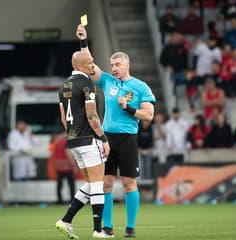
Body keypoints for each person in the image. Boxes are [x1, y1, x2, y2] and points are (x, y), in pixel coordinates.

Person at [77, 25, 156, 238]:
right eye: (112, 65)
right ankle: (108, 226)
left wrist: (128, 108)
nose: (114, 68)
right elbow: (89, 65)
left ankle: (130, 227)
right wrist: (84, 41)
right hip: (107, 138)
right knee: (106, 183)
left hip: (128, 138)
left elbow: (148, 115)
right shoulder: (107, 81)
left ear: (127, 65)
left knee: (130, 183)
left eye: (117, 64)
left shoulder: (140, 87)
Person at [55, 50, 111, 239]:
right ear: (79, 66)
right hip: (89, 139)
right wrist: (103, 138)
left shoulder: (63, 86)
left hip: (73, 141)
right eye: (90, 63)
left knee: (90, 183)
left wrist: (73, 135)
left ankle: (66, 220)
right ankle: (97, 230)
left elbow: (64, 118)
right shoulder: (86, 83)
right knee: (97, 184)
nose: (93, 66)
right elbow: (92, 115)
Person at [48, 131, 77, 204]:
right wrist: (74, 166)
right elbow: (68, 154)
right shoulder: (67, 142)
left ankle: (59, 199)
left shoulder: (58, 142)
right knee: (71, 184)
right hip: (67, 166)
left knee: (59, 184)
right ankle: (72, 200)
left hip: (59, 166)